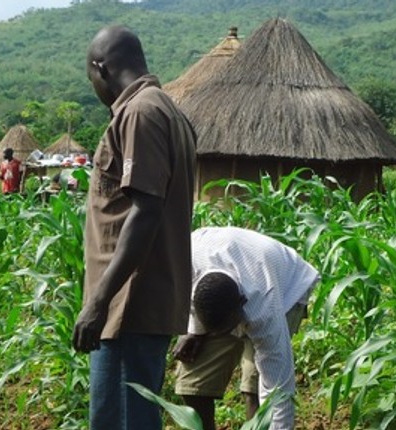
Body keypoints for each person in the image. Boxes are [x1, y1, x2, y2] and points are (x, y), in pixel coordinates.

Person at [71, 25, 196, 430]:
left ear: (100, 68)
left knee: (121, 421)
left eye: (91, 77)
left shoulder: (141, 113)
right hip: (132, 305)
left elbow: (146, 210)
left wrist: (99, 301)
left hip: (129, 305)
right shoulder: (165, 110)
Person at [173, 227, 321, 430]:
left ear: (242, 304)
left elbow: (278, 391)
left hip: (287, 288)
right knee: (192, 384)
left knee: (256, 389)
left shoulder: (264, 309)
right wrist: (195, 331)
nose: (230, 336)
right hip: (217, 266)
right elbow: (191, 296)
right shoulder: (185, 263)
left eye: (229, 330)